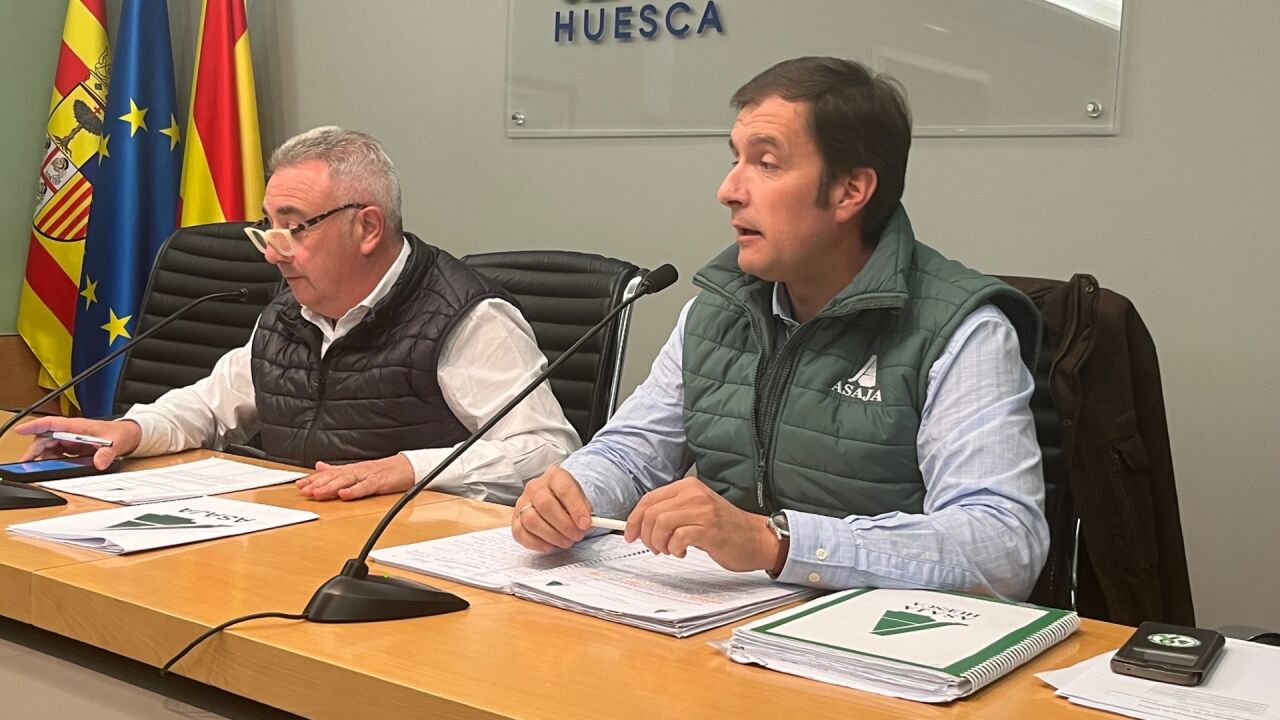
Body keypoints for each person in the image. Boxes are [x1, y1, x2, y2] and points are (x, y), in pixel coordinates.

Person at [511, 57, 1049, 600]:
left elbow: (1003, 546)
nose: (728, 189)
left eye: (766, 164)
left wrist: (778, 543)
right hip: (718, 620)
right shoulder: (715, 311)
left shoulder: (962, 330)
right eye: (735, 160)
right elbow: (632, 453)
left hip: (879, 634)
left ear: (850, 190)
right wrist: (574, 492)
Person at [20, 126, 579, 505]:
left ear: (367, 227)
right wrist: (130, 430)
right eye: (267, 226)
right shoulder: (292, 309)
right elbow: (211, 407)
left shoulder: (466, 317)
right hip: (298, 533)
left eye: (293, 227)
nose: (272, 251)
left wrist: (409, 468)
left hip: (406, 555)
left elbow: (549, 453)